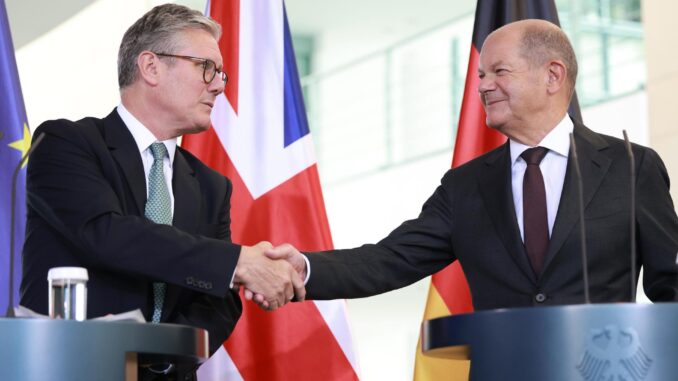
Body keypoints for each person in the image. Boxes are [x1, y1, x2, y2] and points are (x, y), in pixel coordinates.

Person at [255, 19, 678, 309]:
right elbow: (388, 260)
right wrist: (304, 268)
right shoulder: (465, 186)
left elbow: (670, 285)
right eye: (479, 75)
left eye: (498, 71)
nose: (482, 86)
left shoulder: (630, 167)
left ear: (552, 76)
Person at [20, 3, 303, 359]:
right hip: (68, 365)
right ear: (151, 67)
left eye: (221, 73)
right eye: (206, 68)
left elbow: (219, 301)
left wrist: (158, 360)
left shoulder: (211, 186)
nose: (218, 85)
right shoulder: (66, 143)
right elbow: (106, 233)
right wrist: (237, 262)